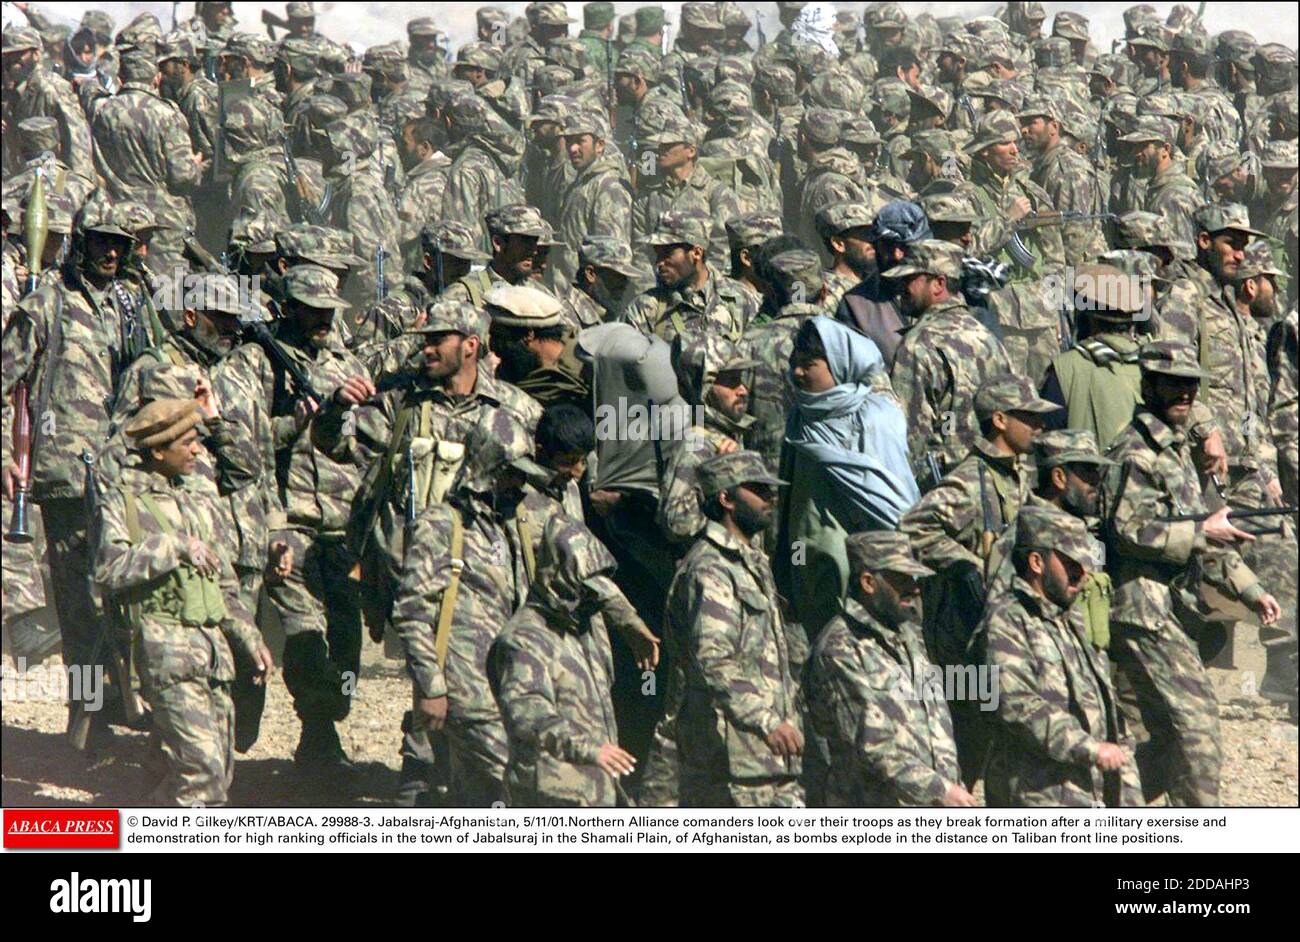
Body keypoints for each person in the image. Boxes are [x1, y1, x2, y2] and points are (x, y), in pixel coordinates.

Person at [1103, 340, 1282, 806]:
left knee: (1149, 737)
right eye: (1173, 384)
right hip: (1141, 611)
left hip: (1171, 610)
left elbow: (1209, 530)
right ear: (1148, 386)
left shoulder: (1177, 451)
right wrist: (1202, 530)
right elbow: (1128, 530)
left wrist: (1251, 590)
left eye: (1190, 385)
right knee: (1198, 729)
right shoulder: (1135, 452)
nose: (1184, 393)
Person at [94, 398, 272, 805]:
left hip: (214, 658)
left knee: (214, 777)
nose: (197, 451)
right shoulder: (123, 501)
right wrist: (172, 547)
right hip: (166, 654)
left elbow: (225, 585)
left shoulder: (200, 499)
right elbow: (107, 570)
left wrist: (250, 638)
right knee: (202, 776)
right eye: (188, 443)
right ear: (157, 450)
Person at [667, 450, 804, 807]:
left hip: (767, 761)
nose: (770, 498)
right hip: (729, 764)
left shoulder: (752, 562)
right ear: (726, 498)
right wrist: (765, 720)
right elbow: (713, 660)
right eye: (758, 489)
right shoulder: (710, 568)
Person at [981, 505, 1139, 807]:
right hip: (1040, 793)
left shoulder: (1072, 616)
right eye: (1071, 564)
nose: (1082, 575)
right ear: (1036, 562)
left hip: (1094, 786)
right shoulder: (1006, 621)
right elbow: (1014, 705)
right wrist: (1089, 748)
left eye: (1085, 565)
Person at [806, 531, 973, 808]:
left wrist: (953, 784)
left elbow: (935, 722)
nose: (915, 588)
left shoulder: (908, 636)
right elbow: (872, 745)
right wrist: (941, 789)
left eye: (914, 578)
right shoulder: (840, 649)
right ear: (868, 582)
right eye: (902, 578)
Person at [777, 316, 917, 639]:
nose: (797, 373)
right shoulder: (800, 420)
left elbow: (895, 502)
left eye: (808, 364)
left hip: (867, 580)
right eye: (794, 364)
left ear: (839, 366)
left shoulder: (874, 418)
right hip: (813, 575)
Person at [493, 513, 632, 807]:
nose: (591, 596)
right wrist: (589, 749)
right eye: (582, 584)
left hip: (595, 795)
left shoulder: (585, 630)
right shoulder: (523, 638)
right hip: (548, 797)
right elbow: (527, 712)